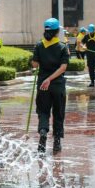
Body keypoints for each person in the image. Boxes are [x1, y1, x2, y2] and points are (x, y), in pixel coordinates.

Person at [31, 18, 70, 153]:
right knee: (58, 113)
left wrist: (46, 78)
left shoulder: (39, 46)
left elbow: (34, 64)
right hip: (58, 85)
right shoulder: (62, 47)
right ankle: (57, 143)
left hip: (43, 85)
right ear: (57, 31)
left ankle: (43, 134)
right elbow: (63, 67)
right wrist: (51, 79)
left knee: (43, 111)